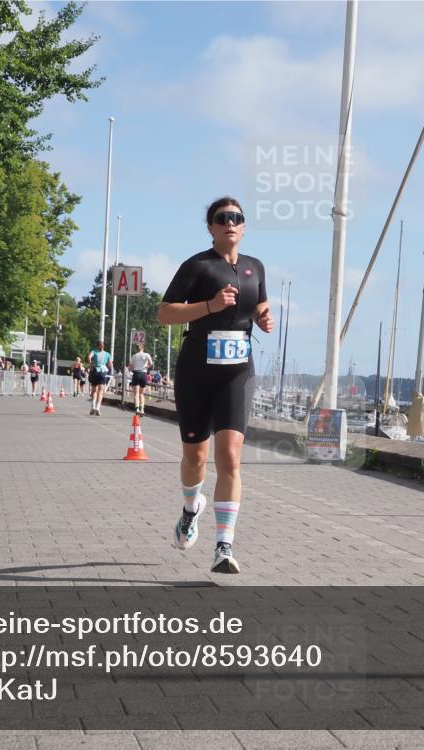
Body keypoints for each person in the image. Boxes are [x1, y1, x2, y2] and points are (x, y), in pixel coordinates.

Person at [157, 197, 273, 574]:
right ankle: (191, 510)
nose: (230, 223)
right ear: (210, 227)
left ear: (244, 226)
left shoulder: (255, 267)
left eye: (237, 217)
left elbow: (260, 304)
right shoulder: (197, 266)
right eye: (222, 218)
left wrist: (264, 317)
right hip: (197, 370)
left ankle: (224, 545)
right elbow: (165, 313)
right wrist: (209, 305)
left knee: (231, 456)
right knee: (195, 457)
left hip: (237, 372)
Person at [87, 341, 111, 415]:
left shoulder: (94, 351)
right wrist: (107, 367)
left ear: (97, 346)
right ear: (104, 346)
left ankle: (93, 406)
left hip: (95, 371)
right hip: (103, 372)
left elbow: (89, 357)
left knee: (94, 390)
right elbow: (110, 365)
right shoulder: (107, 354)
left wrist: (91, 365)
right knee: (100, 391)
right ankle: (98, 407)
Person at [129, 343, 154, 416]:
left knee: (136, 394)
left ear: (136, 349)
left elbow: (130, 367)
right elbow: (151, 363)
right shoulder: (147, 355)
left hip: (136, 373)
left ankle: (137, 409)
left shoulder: (133, 356)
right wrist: (146, 367)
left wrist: (132, 370)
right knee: (141, 393)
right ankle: (142, 409)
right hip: (143, 374)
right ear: (143, 348)